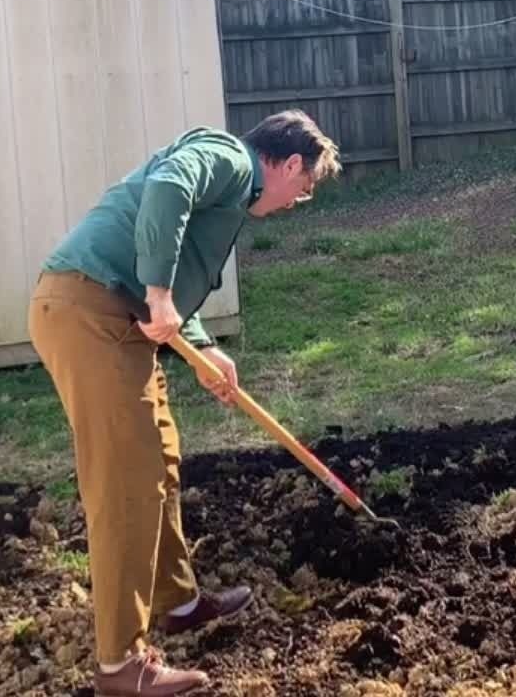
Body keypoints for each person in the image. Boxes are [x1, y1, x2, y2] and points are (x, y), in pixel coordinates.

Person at [28, 110, 342, 697]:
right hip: (90, 313)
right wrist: (159, 292)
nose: (300, 200)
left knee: (160, 459)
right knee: (127, 481)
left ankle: (176, 602)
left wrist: (202, 347)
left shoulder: (234, 191)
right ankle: (120, 667)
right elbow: (169, 187)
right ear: (291, 163)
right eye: (305, 188)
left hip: (114, 318)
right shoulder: (226, 157)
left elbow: (174, 273)